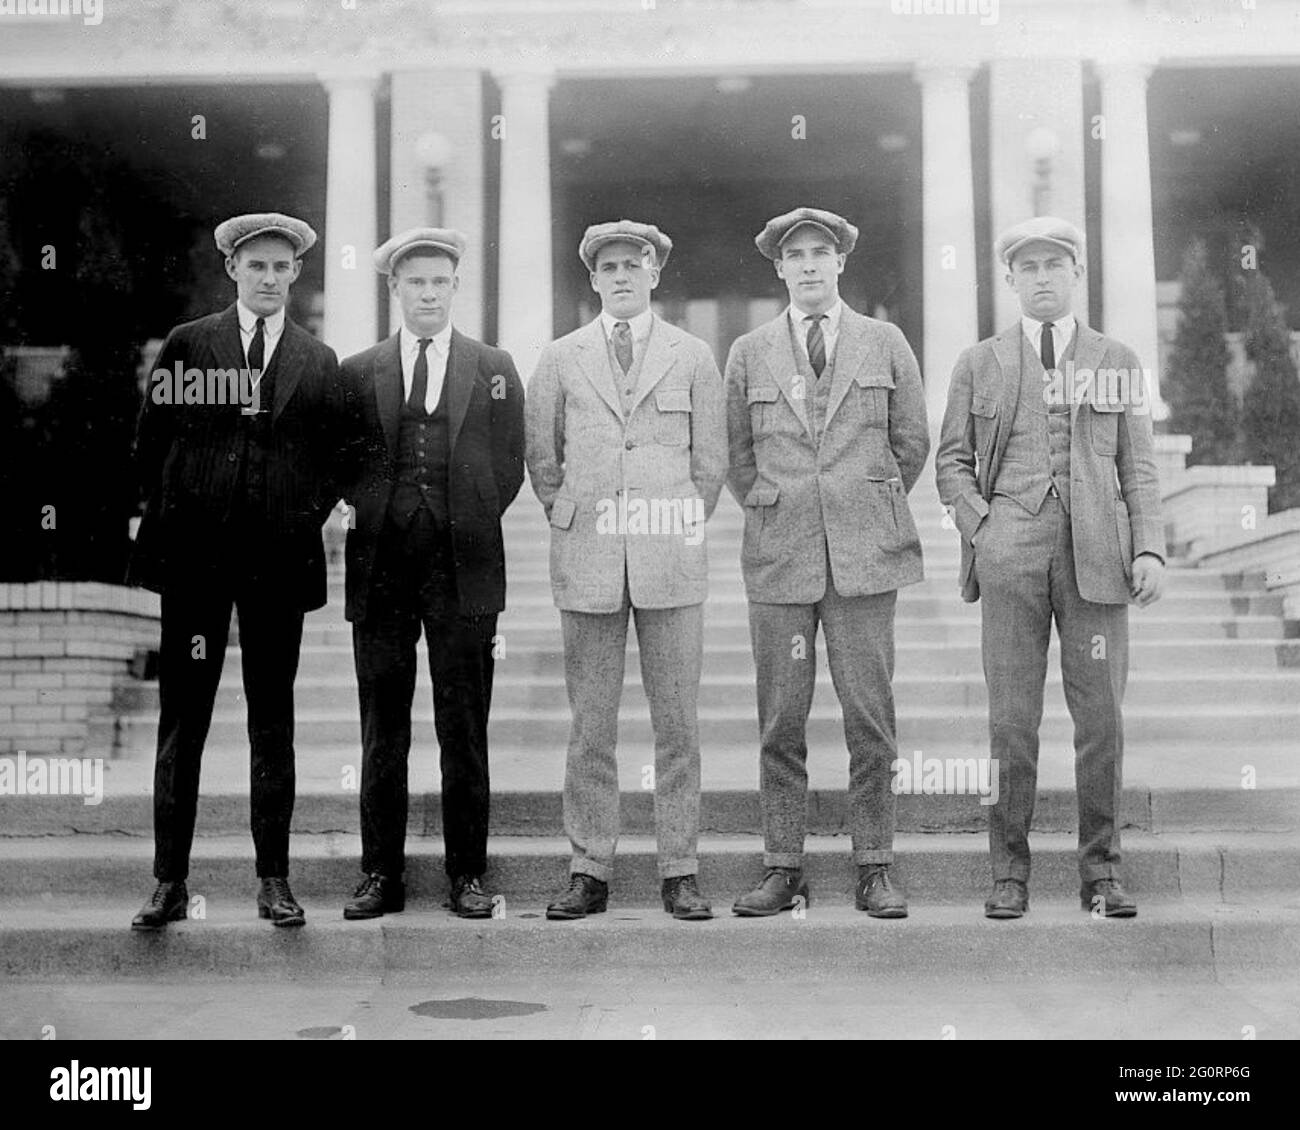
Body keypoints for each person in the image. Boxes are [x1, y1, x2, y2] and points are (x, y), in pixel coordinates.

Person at [935, 216, 1166, 920]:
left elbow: (1140, 465)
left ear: (1076, 275)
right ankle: (1009, 872)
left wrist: (1149, 546)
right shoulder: (980, 362)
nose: (1041, 277)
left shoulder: (1117, 358)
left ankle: (1102, 873)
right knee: (1010, 720)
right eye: (1027, 267)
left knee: (1101, 720)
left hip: (1098, 557)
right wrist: (985, 527)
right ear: (1009, 279)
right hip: (1011, 558)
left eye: (1053, 265)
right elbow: (950, 462)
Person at [128, 212, 345, 929]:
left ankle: (274, 879)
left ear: (296, 275)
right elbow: (151, 444)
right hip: (196, 565)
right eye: (258, 266)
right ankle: (168, 882)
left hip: (275, 568)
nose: (271, 278)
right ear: (233, 269)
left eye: (283, 268)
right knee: (182, 721)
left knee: (271, 720)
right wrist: (173, 520)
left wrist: (296, 515)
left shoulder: (317, 360)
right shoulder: (192, 344)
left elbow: (333, 461)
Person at [725, 207, 930, 918]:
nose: (809, 265)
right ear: (778, 268)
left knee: (870, 719)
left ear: (841, 262)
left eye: (821, 253)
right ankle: (783, 866)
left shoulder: (885, 341)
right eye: (796, 255)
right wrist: (778, 504)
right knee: (781, 719)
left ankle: (875, 865)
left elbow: (911, 442)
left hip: (865, 559)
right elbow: (736, 455)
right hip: (781, 559)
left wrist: (864, 504)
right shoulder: (750, 351)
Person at [525, 220, 727, 920]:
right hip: (589, 560)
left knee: (678, 725)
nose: (620, 276)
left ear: (655, 274)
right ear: (592, 279)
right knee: (591, 727)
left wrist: (672, 520)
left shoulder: (694, 355)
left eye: (633, 264)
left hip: (669, 560)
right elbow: (541, 458)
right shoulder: (560, 357)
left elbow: (712, 462)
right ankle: (590, 868)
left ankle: (680, 868)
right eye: (607, 266)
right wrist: (577, 515)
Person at [337, 228, 524, 920]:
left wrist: (465, 514)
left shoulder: (494, 365)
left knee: (463, 724)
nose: (427, 293)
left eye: (439, 281)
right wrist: (384, 508)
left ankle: (466, 876)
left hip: (464, 567)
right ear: (394, 289)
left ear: (454, 287)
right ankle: (379, 873)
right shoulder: (359, 370)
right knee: (382, 725)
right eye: (414, 282)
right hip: (382, 565)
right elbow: (344, 458)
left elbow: (510, 466)